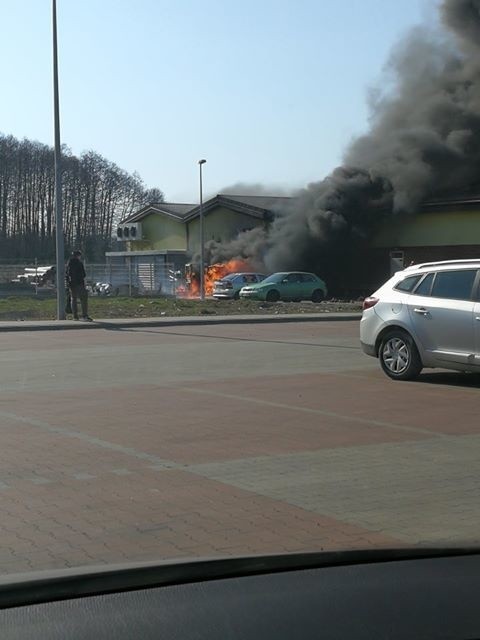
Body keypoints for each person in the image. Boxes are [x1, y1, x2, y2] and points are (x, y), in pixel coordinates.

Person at [65, 250, 92, 322]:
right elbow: (83, 274)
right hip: (79, 283)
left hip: (71, 284)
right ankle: (84, 315)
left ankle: (75, 316)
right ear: (78, 256)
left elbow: (67, 274)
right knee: (84, 298)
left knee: (73, 299)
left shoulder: (69, 264)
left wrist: (68, 283)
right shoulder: (79, 263)